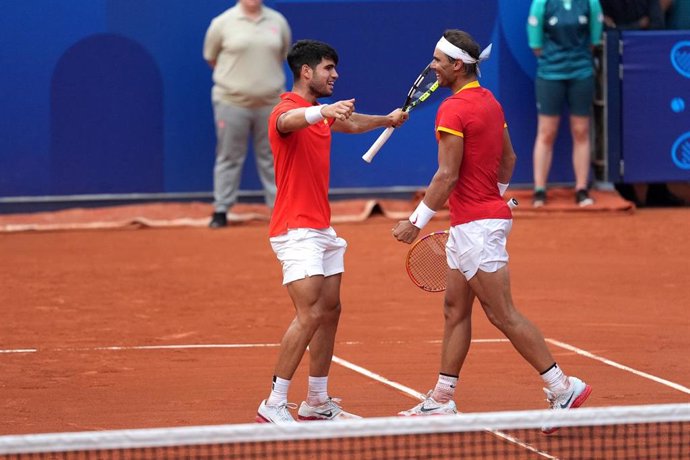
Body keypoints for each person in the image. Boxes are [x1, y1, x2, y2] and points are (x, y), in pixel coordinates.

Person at [392, 30, 591, 433]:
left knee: (502, 314)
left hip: (477, 227)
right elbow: (510, 158)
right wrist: (493, 196)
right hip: (476, 221)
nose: (432, 67)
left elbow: (446, 176)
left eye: (437, 61)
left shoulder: (452, 110)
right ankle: (442, 399)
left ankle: (562, 387)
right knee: (455, 309)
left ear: (457, 66)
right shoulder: (489, 102)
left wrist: (415, 223)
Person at [256, 39, 408, 424]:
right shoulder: (287, 110)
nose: (335, 74)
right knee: (308, 313)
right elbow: (287, 123)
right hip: (295, 230)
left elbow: (351, 122)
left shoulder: (319, 113)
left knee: (329, 312)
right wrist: (322, 110)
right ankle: (273, 402)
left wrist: (386, 120)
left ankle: (317, 401)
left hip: (321, 228)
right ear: (306, 72)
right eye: (328, 68)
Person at [203, 0, 292, 228]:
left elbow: (283, 55)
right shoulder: (222, 23)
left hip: (272, 104)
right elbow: (211, 58)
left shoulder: (278, 21)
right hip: (231, 102)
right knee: (228, 156)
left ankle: (279, 210)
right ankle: (221, 210)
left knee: (274, 158)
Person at [527, 0, 604, 207]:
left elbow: (593, 41)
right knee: (547, 132)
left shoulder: (591, 3)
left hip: (581, 73)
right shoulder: (541, 4)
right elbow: (536, 46)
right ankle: (540, 190)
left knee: (581, 130)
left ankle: (581, 189)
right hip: (550, 74)